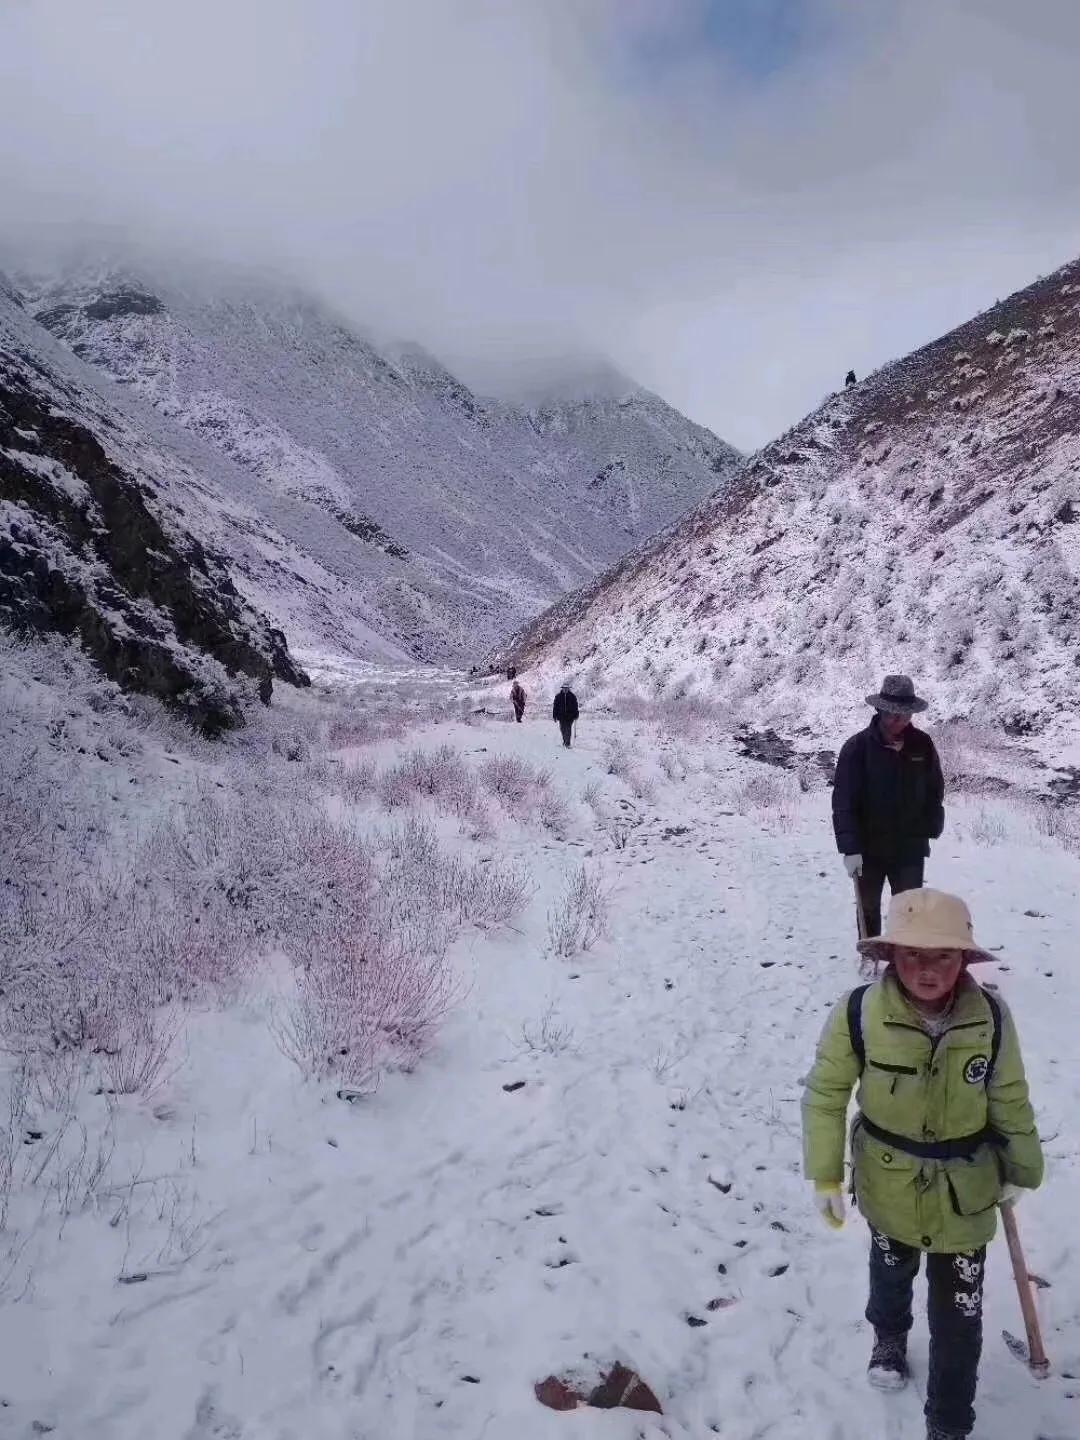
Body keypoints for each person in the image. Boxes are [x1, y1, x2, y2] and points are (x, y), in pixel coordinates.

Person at [802, 888, 1043, 1440]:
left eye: (943, 955)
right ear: (891, 956)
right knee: (890, 1271)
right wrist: (825, 1173)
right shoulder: (859, 1012)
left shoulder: (992, 1019)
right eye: (913, 954)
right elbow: (825, 1093)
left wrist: (1023, 1170)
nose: (927, 969)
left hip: (967, 1189)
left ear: (964, 959)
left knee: (960, 1315)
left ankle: (950, 1422)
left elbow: (1010, 1097)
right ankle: (888, 1334)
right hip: (888, 1180)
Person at [832, 674, 945, 937]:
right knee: (868, 907)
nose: (901, 721)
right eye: (894, 715)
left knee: (909, 909)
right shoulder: (857, 748)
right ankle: (871, 956)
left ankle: (904, 958)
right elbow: (843, 801)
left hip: (909, 847)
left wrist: (929, 826)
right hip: (867, 848)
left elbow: (934, 789)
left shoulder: (922, 745)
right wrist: (850, 849)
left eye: (906, 715)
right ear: (880, 710)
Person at [552, 682, 579, 748]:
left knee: (568, 729)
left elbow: (576, 706)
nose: (565, 689)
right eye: (564, 688)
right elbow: (555, 706)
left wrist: (576, 714)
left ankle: (567, 743)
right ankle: (565, 741)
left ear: (569, 689)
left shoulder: (572, 696)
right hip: (561, 716)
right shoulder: (558, 696)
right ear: (562, 688)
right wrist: (554, 716)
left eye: (567, 688)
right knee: (562, 729)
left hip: (570, 716)